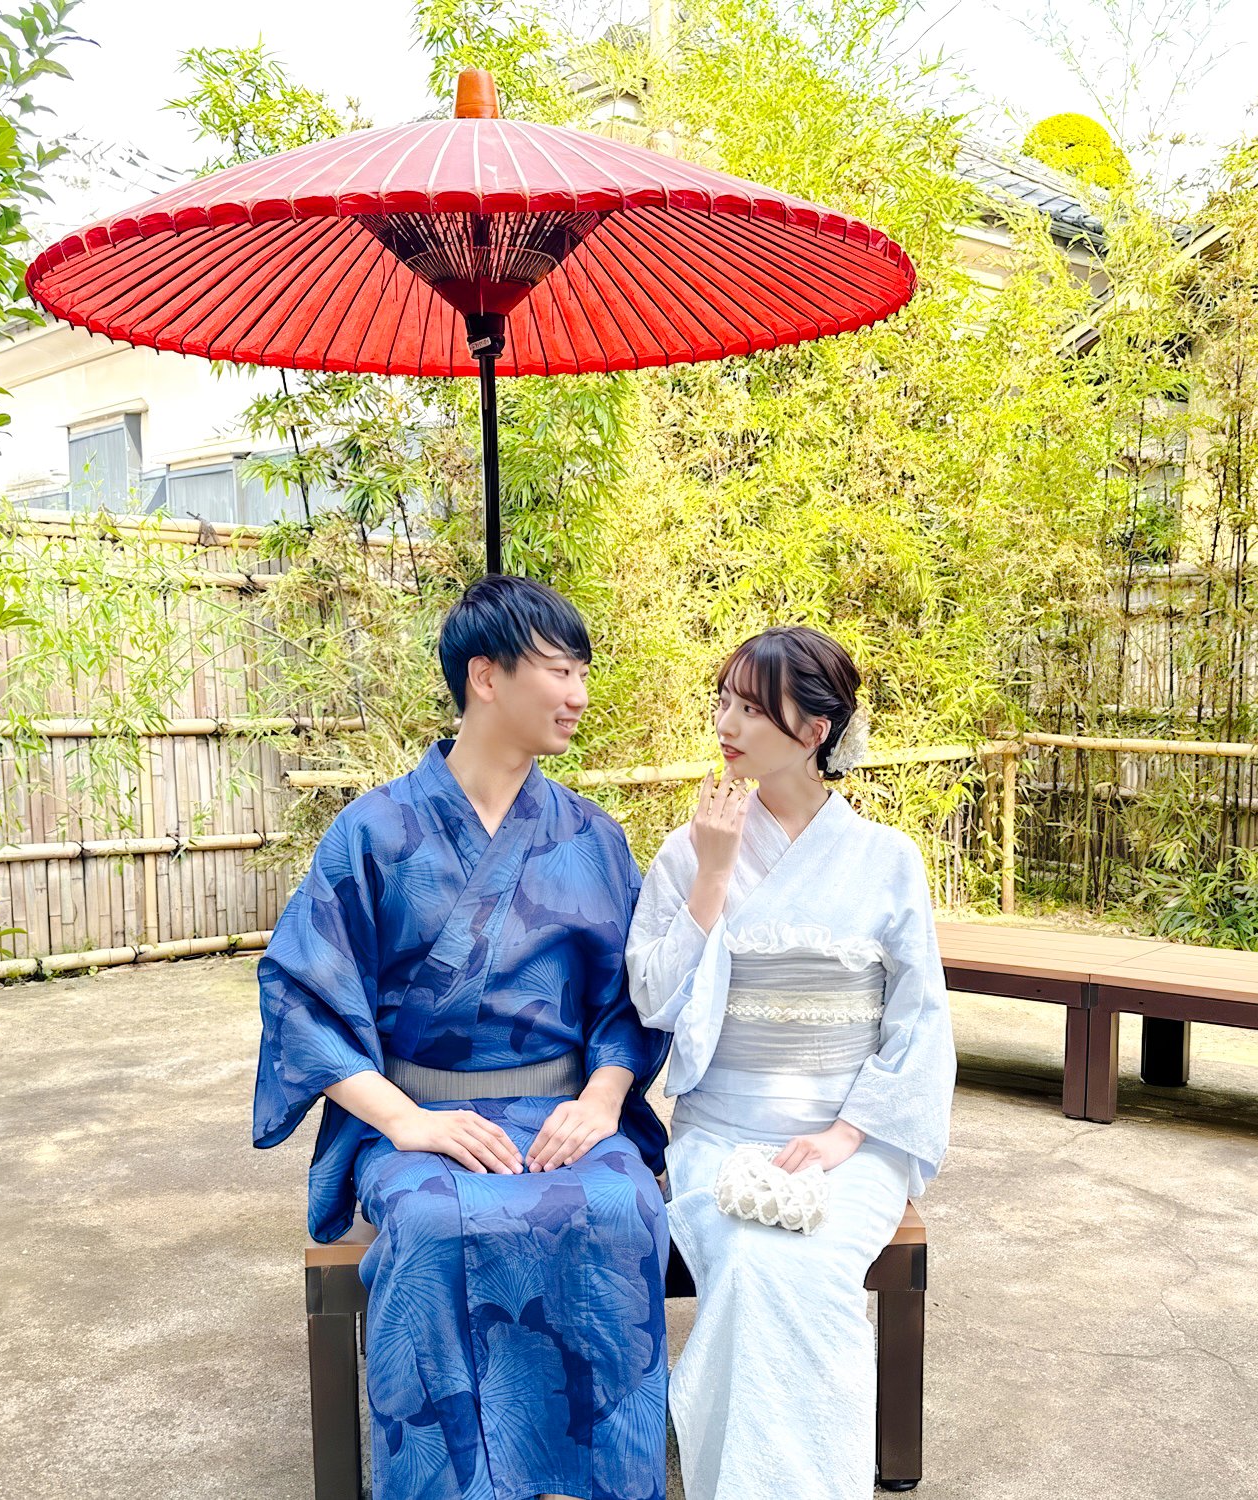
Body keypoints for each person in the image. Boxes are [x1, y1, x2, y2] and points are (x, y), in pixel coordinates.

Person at [254, 575, 670, 1500]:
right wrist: (404, 1122)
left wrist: (604, 1099)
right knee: (434, 1222)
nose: (579, 695)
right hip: (417, 1115)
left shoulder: (592, 837)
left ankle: (600, 1478)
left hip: (562, 1110)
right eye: (560, 671)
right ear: (486, 676)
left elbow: (632, 999)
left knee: (624, 1207)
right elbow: (300, 994)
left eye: (583, 673)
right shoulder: (372, 831)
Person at [625, 625, 957, 1500]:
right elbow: (654, 1002)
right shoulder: (687, 851)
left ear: (815, 730)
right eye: (722, 702)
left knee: (803, 1266)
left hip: (850, 1139)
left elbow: (920, 1021)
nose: (725, 724)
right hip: (723, 1131)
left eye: (750, 708)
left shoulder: (887, 860)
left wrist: (849, 1133)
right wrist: (713, 876)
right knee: (747, 1263)